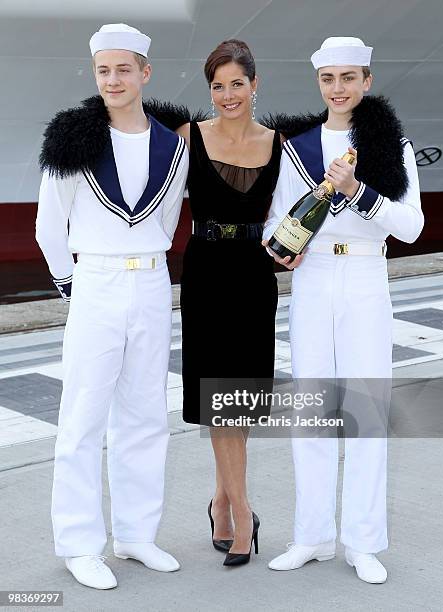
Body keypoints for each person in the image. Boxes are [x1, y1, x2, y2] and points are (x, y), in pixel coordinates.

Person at [263, 37, 423, 583]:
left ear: (367, 81)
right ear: (319, 83)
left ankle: (362, 541)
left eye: (349, 78)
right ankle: (311, 535)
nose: (338, 88)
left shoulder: (389, 146)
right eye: (329, 79)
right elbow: (275, 219)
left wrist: (359, 192)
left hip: (363, 276)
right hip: (312, 278)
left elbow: (411, 226)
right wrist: (280, 246)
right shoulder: (298, 147)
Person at [36, 23, 188, 589]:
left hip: (150, 285)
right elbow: (50, 226)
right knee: (81, 418)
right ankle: (79, 543)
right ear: (96, 74)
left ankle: (136, 534)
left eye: (125, 69)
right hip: (95, 283)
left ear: (145, 73)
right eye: (104, 70)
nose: (114, 79)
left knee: (146, 414)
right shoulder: (72, 138)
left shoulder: (174, 145)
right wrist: (72, 288)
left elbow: (170, 220)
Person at [176, 39, 282, 567]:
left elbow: (291, 215)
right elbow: (160, 203)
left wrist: (294, 250)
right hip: (206, 275)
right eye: (217, 86)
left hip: (253, 276)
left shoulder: (279, 144)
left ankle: (221, 500)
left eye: (236, 83)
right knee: (219, 401)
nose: (226, 95)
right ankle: (242, 514)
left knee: (234, 401)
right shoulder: (188, 137)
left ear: (255, 84)